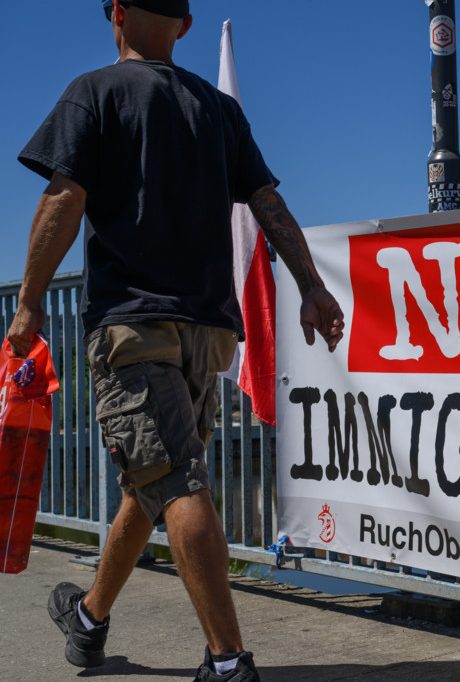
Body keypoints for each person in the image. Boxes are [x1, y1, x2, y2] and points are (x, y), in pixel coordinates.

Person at [6, 1, 344, 679]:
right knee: (154, 479)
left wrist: (29, 303)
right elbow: (268, 202)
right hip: (209, 332)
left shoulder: (94, 92)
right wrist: (310, 285)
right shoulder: (216, 109)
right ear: (185, 27)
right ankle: (89, 618)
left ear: (117, 14)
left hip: (133, 325)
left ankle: (227, 662)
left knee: (175, 477)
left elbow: (63, 200)